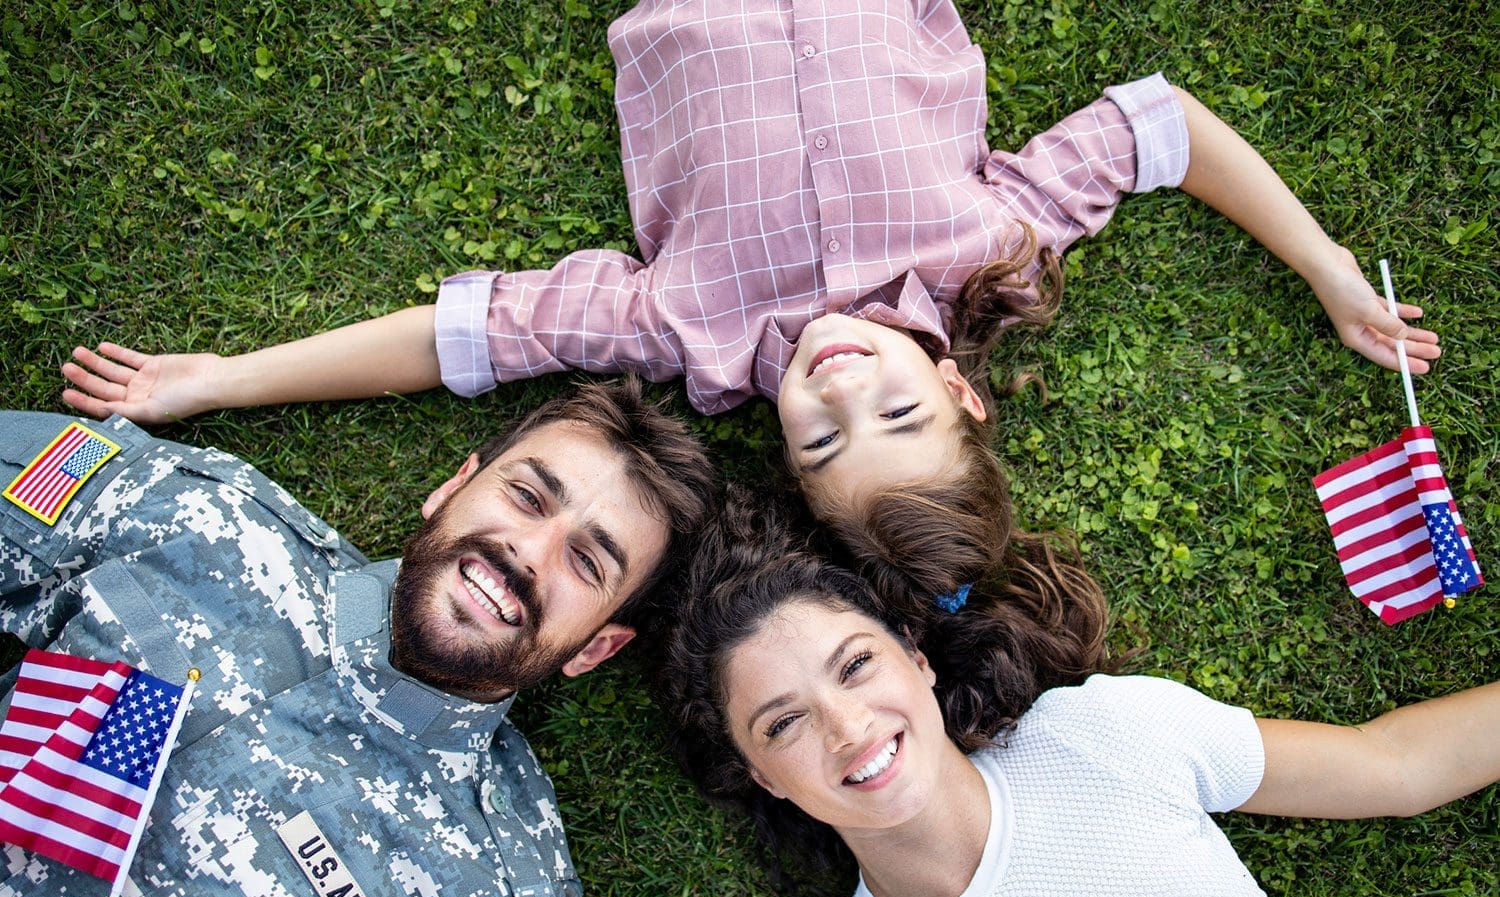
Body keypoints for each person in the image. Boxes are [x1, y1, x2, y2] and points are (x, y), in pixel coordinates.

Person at [56, 1, 1440, 612]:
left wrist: (219, 380)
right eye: (891, 406)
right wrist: (1327, 271)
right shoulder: (983, 245)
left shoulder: (686, 333)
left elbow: (458, 341)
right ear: (959, 388)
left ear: (779, 455)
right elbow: (1162, 128)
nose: (838, 382)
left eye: (822, 437)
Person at [0, 378, 715, 897]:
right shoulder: (199, 516)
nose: (529, 552)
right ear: (451, 489)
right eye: (526, 496)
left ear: (595, 647)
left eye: (588, 563)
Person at [655, 498, 1500, 897]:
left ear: (916, 659)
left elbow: (1396, 766)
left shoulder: (1097, 737)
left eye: (856, 665)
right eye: (783, 723)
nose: (847, 727)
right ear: (759, 776)